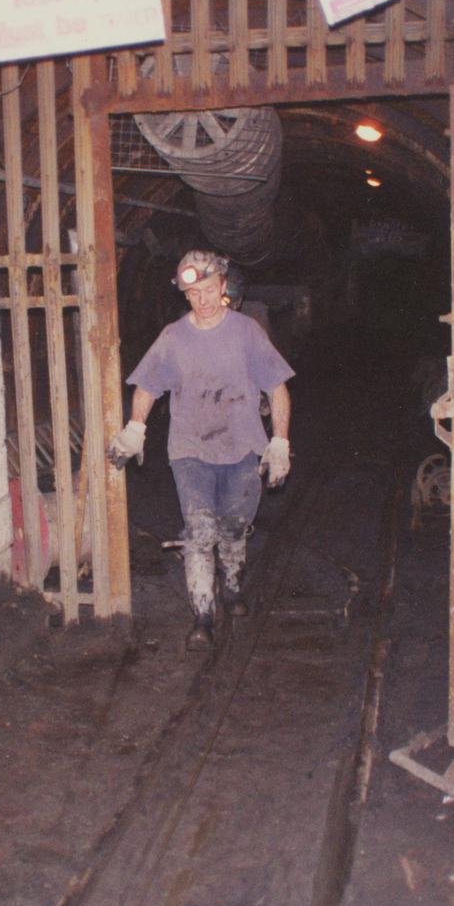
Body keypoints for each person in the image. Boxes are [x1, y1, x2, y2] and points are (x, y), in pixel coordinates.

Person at [108, 249, 295, 650]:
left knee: (233, 528)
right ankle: (203, 618)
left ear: (223, 286)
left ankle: (232, 585)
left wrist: (279, 441)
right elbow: (147, 386)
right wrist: (135, 428)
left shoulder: (246, 332)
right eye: (193, 293)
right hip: (190, 451)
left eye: (209, 290)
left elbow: (277, 387)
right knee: (199, 530)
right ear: (185, 294)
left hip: (243, 447)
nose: (203, 299)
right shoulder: (174, 337)